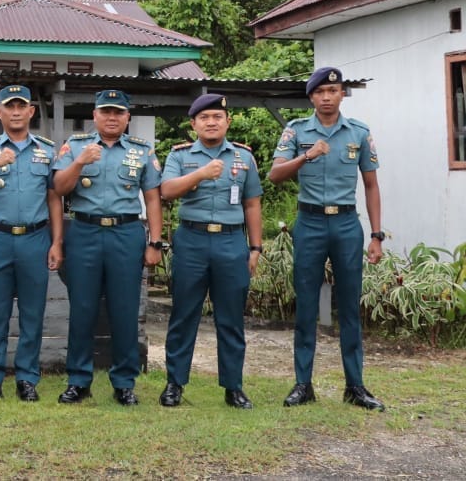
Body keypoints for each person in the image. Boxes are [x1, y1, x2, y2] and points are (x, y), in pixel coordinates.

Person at [270, 66, 385, 411]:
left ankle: (356, 386)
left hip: (347, 224)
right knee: (306, 304)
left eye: (332, 91)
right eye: (319, 92)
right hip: (310, 223)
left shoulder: (359, 133)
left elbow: (371, 185)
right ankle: (303, 384)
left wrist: (376, 235)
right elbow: (275, 174)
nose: (326, 97)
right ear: (311, 97)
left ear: (341, 95)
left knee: (349, 306)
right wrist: (307, 155)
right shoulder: (296, 131)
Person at [51, 88, 163, 406]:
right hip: (84, 231)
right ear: (94, 116)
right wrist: (80, 162)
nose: (112, 117)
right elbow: (58, 188)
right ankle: (78, 380)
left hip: (126, 232)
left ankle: (124, 382)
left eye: (118, 112)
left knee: (125, 310)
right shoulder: (75, 147)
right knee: (83, 309)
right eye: (106, 111)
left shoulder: (142, 151)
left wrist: (155, 241)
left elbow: (154, 198)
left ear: (128, 118)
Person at [158, 93, 263, 410]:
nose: (212, 122)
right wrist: (200, 174)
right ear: (194, 124)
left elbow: (252, 203)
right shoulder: (180, 156)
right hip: (192, 240)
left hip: (232, 242)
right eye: (204, 118)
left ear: (227, 122)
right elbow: (166, 191)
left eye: (217, 116)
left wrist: (256, 247)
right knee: (183, 315)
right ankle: (175, 383)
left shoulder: (244, 157)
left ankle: (233, 387)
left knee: (230, 318)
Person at [0, 85, 63, 404]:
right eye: (10, 106)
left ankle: (27, 378)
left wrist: (57, 241)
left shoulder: (47, 150)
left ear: (31, 111)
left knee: (33, 313)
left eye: (22, 106)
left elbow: (54, 198)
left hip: (35, 238)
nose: (16, 111)